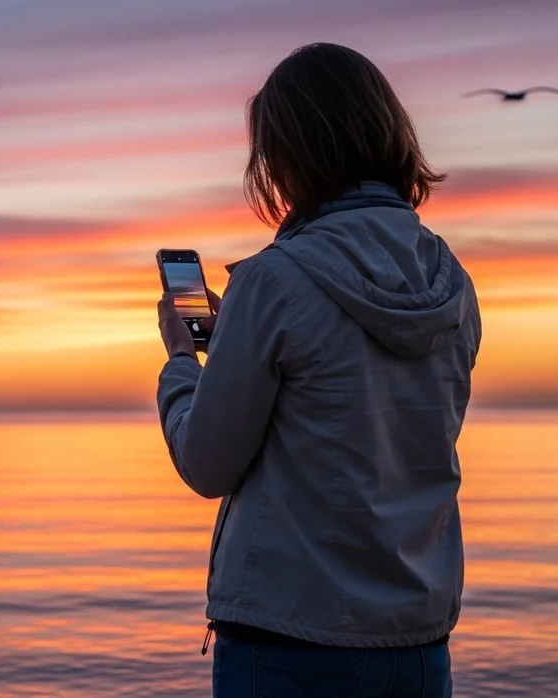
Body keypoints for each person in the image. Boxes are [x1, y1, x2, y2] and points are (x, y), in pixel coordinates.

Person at [156, 43, 481, 697]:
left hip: (290, 641)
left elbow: (207, 464)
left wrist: (183, 363)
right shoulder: (452, 284)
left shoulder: (274, 281)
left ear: (287, 154)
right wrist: (239, 349)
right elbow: (359, 410)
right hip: (416, 643)